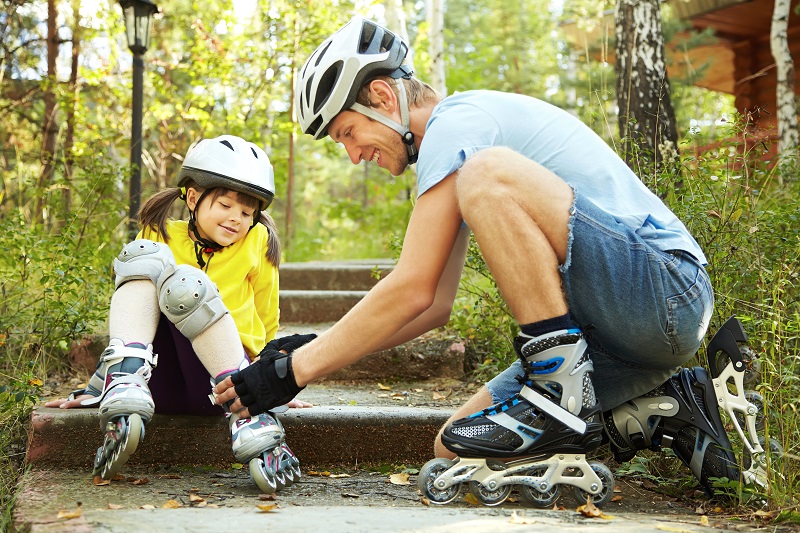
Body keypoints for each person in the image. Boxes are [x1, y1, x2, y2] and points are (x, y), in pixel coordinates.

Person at [214, 18, 748, 502]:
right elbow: (430, 305)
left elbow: (411, 285)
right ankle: (663, 411)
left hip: (666, 291)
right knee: (454, 447)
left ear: (381, 95)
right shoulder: (453, 157)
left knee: (487, 173)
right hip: (613, 335)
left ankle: (556, 385)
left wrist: (293, 373)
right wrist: (313, 349)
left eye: (348, 133)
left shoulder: (459, 124)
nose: (353, 155)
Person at [46, 135, 314, 494]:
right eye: (224, 205)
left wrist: (270, 380)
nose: (236, 218)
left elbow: (267, 315)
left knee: (190, 285)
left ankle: (252, 421)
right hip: (158, 382)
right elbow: (135, 310)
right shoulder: (159, 235)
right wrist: (98, 382)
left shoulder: (257, 242)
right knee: (145, 258)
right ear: (192, 197)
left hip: (227, 388)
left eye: (247, 212)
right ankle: (122, 383)